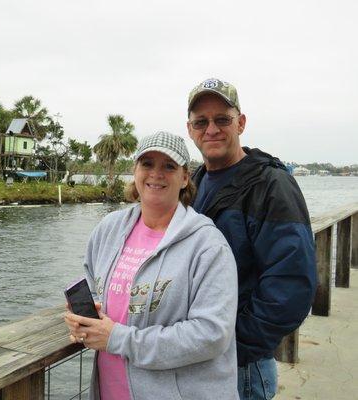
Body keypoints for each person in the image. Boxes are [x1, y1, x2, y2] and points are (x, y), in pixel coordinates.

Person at [65, 131, 239, 400]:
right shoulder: (107, 230)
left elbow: (211, 334)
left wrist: (117, 338)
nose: (156, 174)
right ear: (134, 171)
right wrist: (85, 318)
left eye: (168, 166)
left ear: (184, 177)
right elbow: (94, 287)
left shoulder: (208, 245)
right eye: (147, 164)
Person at [185, 78, 317, 400]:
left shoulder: (271, 185)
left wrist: (233, 344)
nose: (211, 129)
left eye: (222, 119)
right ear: (190, 129)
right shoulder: (191, 184)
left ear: (240, 123)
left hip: (241, 366)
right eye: (201, 122)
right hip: (197, 358)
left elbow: (291, 285)